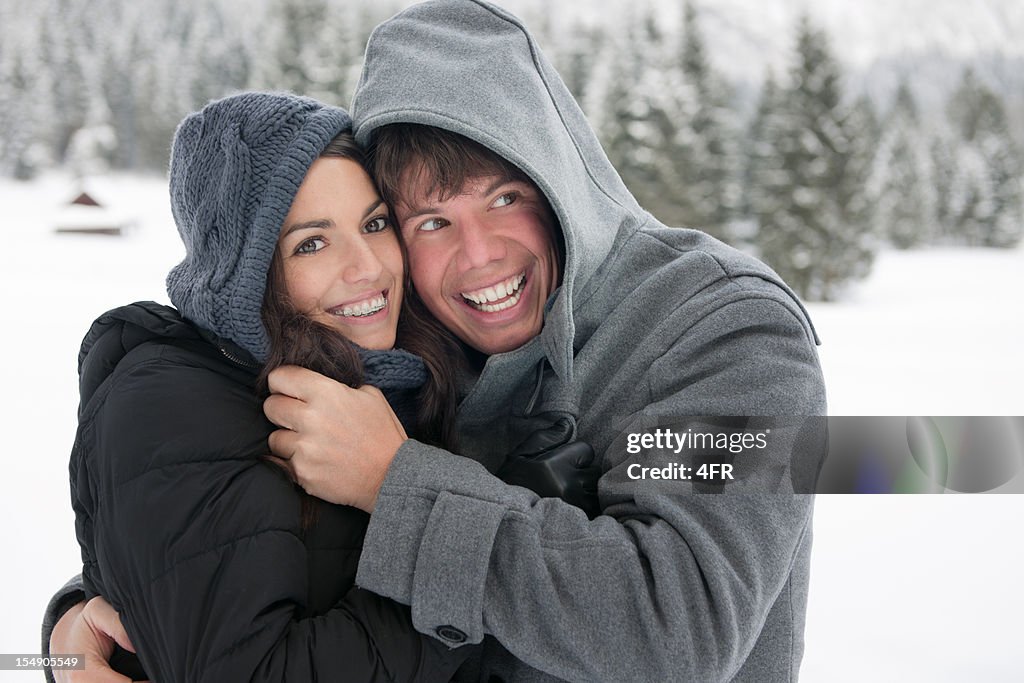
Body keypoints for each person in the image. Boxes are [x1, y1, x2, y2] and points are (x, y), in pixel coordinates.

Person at [48, 0, 826, 681]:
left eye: (506, 197)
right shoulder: (421, 342)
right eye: (428, 219)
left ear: (561, 174)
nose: (478, 253)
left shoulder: (722, 327)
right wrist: (71, 630)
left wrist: (397, 485)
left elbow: (679, 626)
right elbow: (219, 547)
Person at [50, 90, 481, 682]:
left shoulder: (410, 369)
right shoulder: (177, 405)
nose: (370, 267)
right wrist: (469, 564)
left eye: (374, 223)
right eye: (311, 242)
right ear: (242, 268)